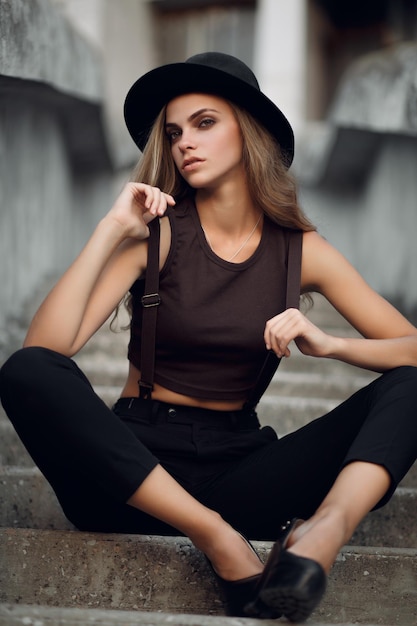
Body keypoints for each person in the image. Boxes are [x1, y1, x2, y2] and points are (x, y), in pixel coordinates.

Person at [1, 52, 417, 623]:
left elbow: (411, 348)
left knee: (411, 385)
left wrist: (334, 345)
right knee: (25, 371)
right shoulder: (157, 235)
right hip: (128, 473)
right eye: (173, 132)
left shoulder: (302, 252)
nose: (183, 144)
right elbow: (45, 352)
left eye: (204, 123)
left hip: (236, 472)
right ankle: (217, 539)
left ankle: (324, 532)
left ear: (248, 133)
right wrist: (110, 229)